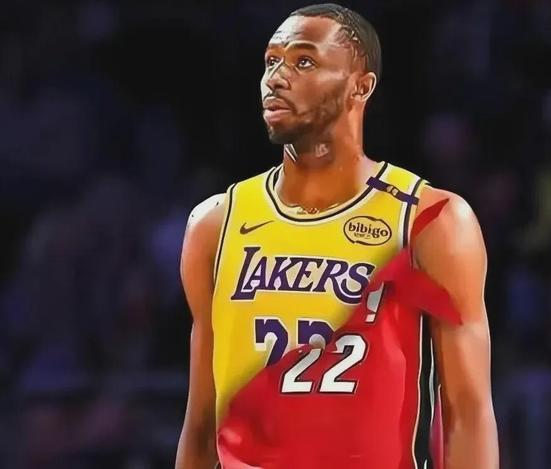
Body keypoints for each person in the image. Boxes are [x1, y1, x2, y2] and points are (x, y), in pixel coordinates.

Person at [175, 4, 498, 469]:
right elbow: (201, 423)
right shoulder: (215, 225)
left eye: (304, 61)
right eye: (271, 61)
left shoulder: (429, 221)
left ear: (360, 86)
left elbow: (468, 413)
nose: (276, 78)